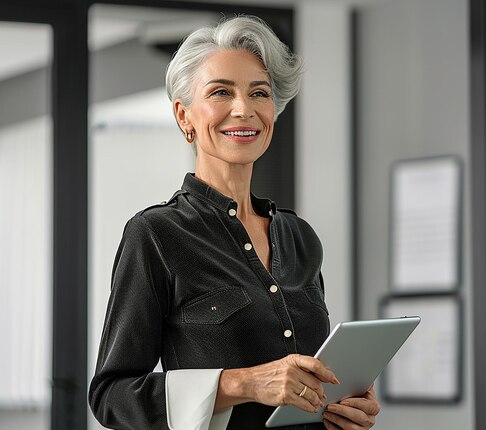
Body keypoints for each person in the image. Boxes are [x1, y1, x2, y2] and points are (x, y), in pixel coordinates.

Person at [88, 15, 380, 430]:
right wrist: (244, 383)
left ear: (273, 114)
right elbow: (111, 396)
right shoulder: (155, 235)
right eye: (221, 92)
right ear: (184, 116)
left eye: (259, 93)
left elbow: (304, 385)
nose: (243, 109)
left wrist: (342, 406)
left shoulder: (299, 237)